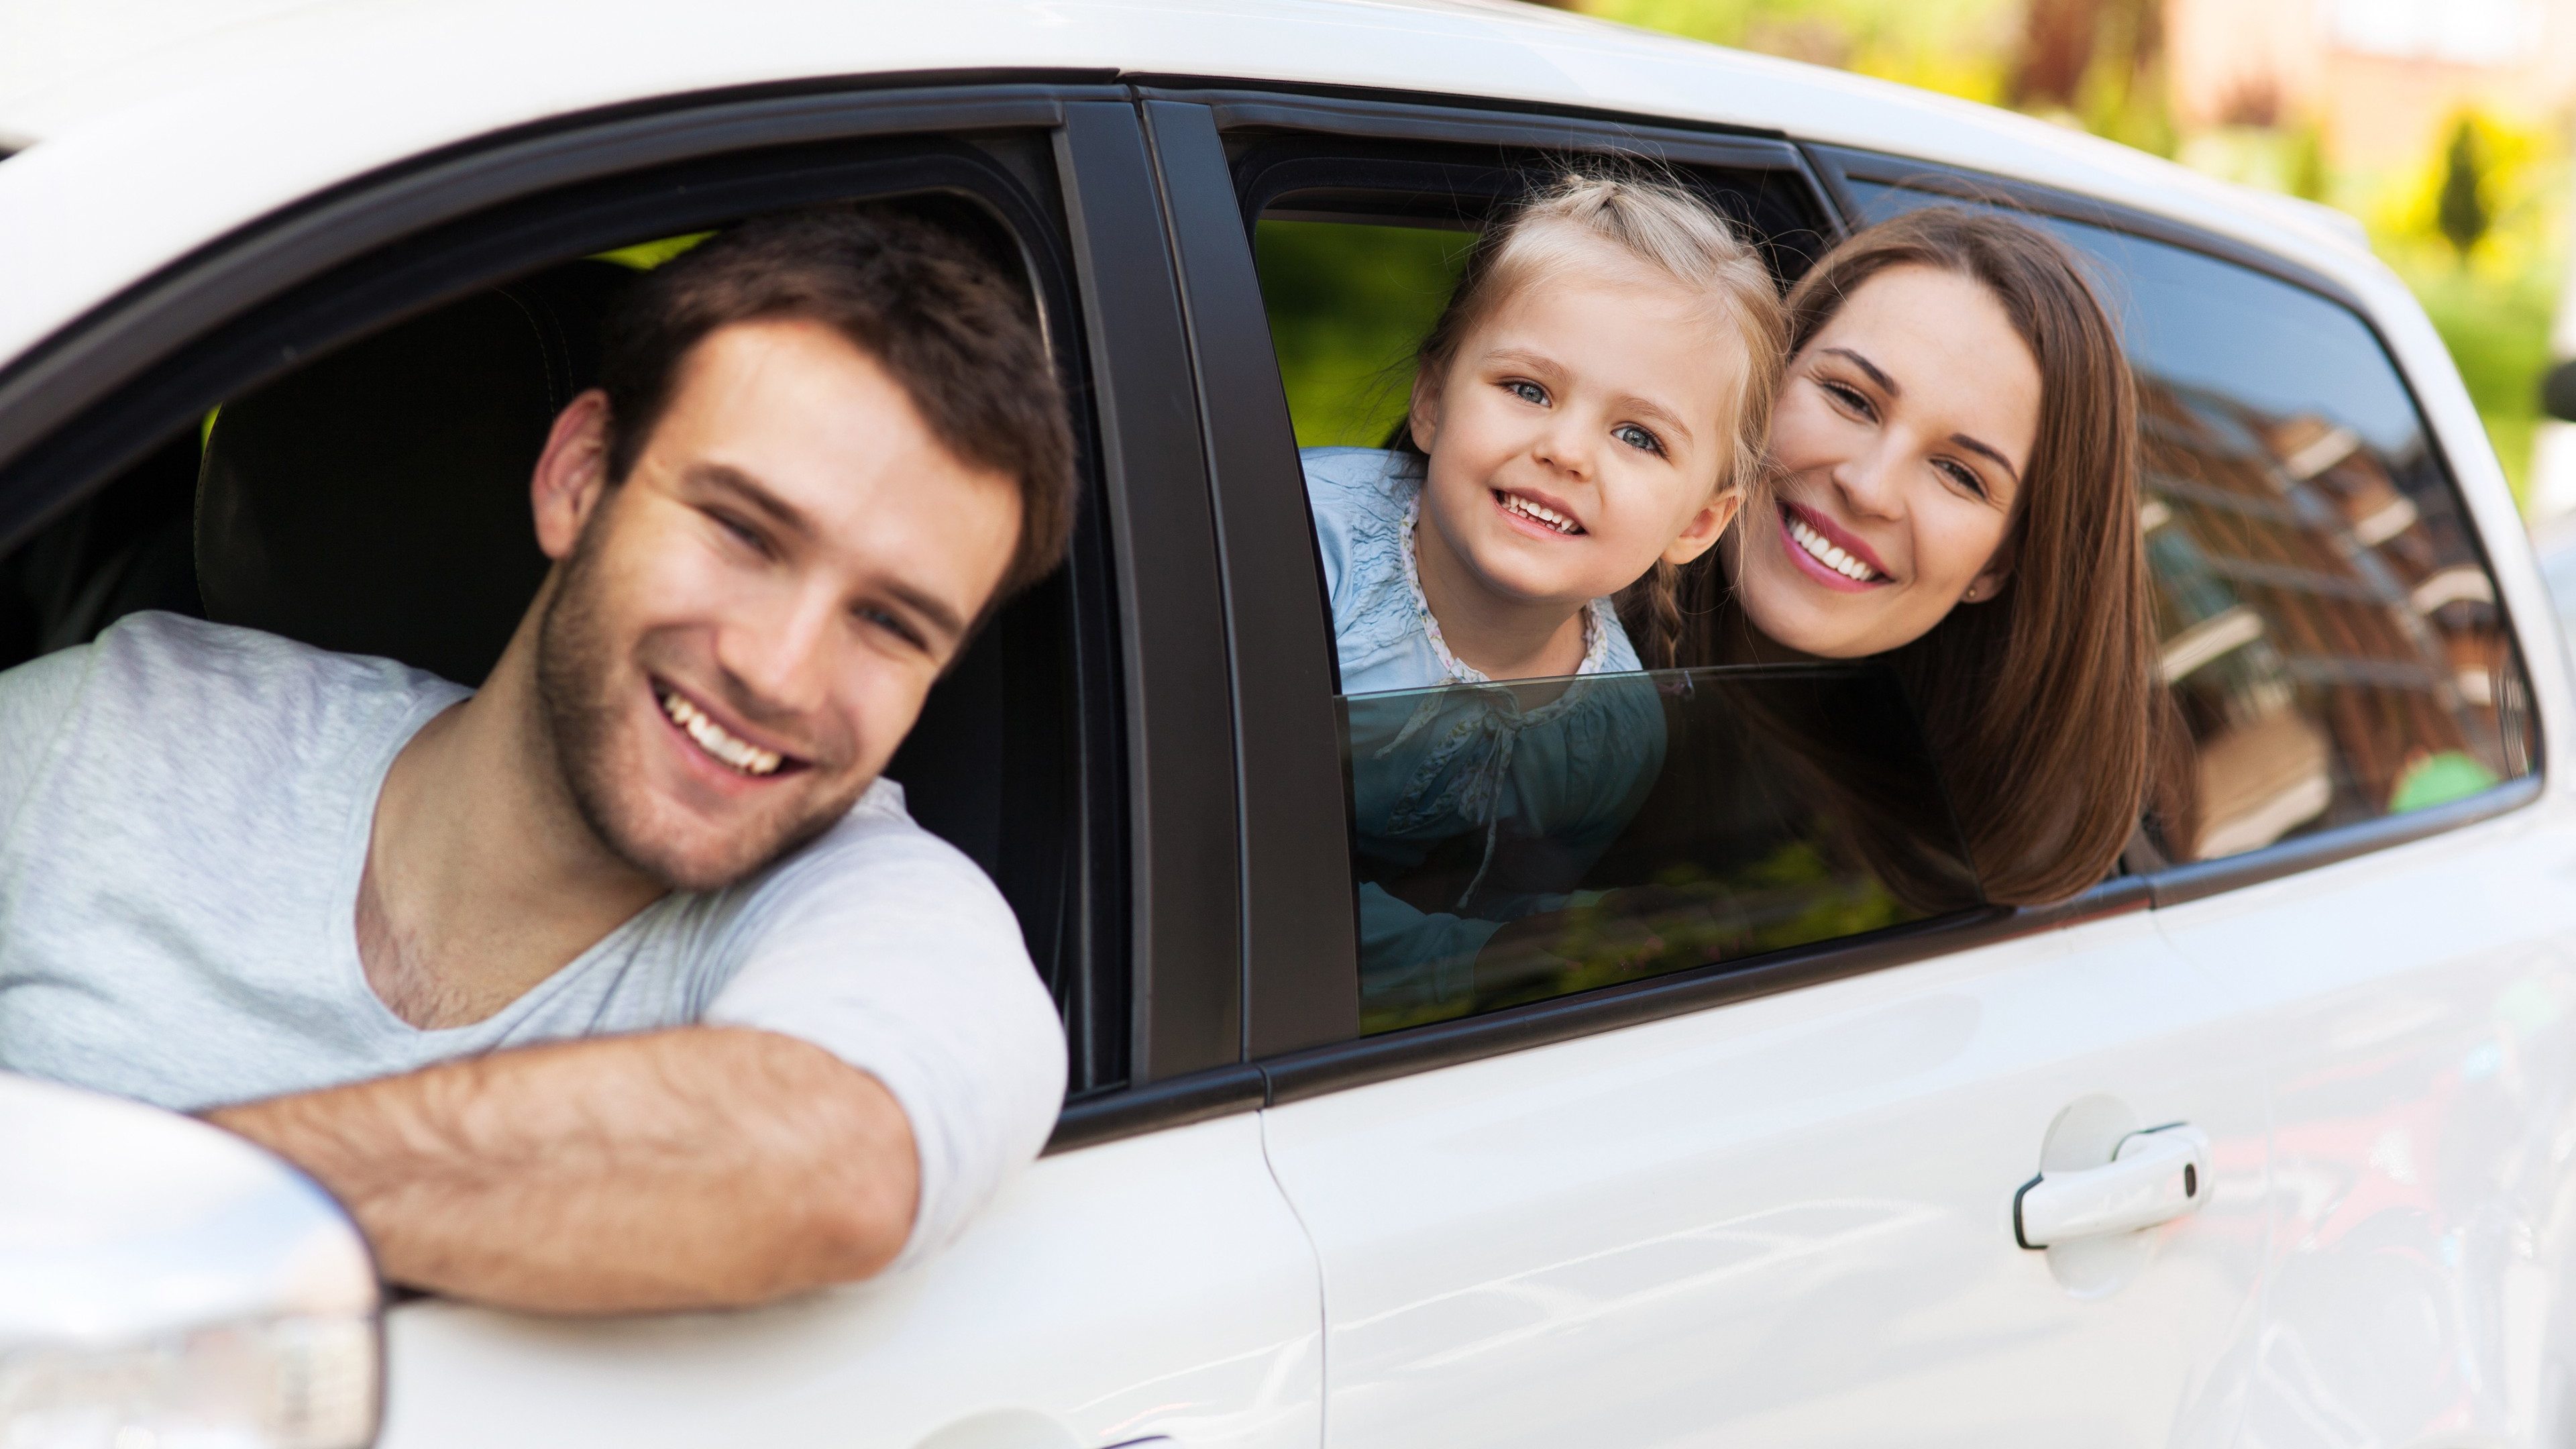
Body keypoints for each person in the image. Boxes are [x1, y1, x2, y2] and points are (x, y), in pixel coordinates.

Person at [0, 205, 1080, 1313]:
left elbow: (839, 1159)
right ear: (577, 476)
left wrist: (128, 1218)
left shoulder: (894, 912)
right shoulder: (114, 730)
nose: (783, 675)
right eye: (744, 532)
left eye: (892, 624)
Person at [1303, 170, 1784, 1019]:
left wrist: (1548, 943)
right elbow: (1225, 856)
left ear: (1700, 524)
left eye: (1638, 435)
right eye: (1528, 390)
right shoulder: (1300, 551)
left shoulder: (1614, 737)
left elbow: (1503, 927)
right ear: (1430, 400)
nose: (1566, 450)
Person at [1637, 205, 2162, 904]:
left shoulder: (1958, 874)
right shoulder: (1527, 617)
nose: (1870, 487)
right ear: (1765, 377)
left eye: (1960, 474)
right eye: (1851, 398)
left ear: (1999, 565)